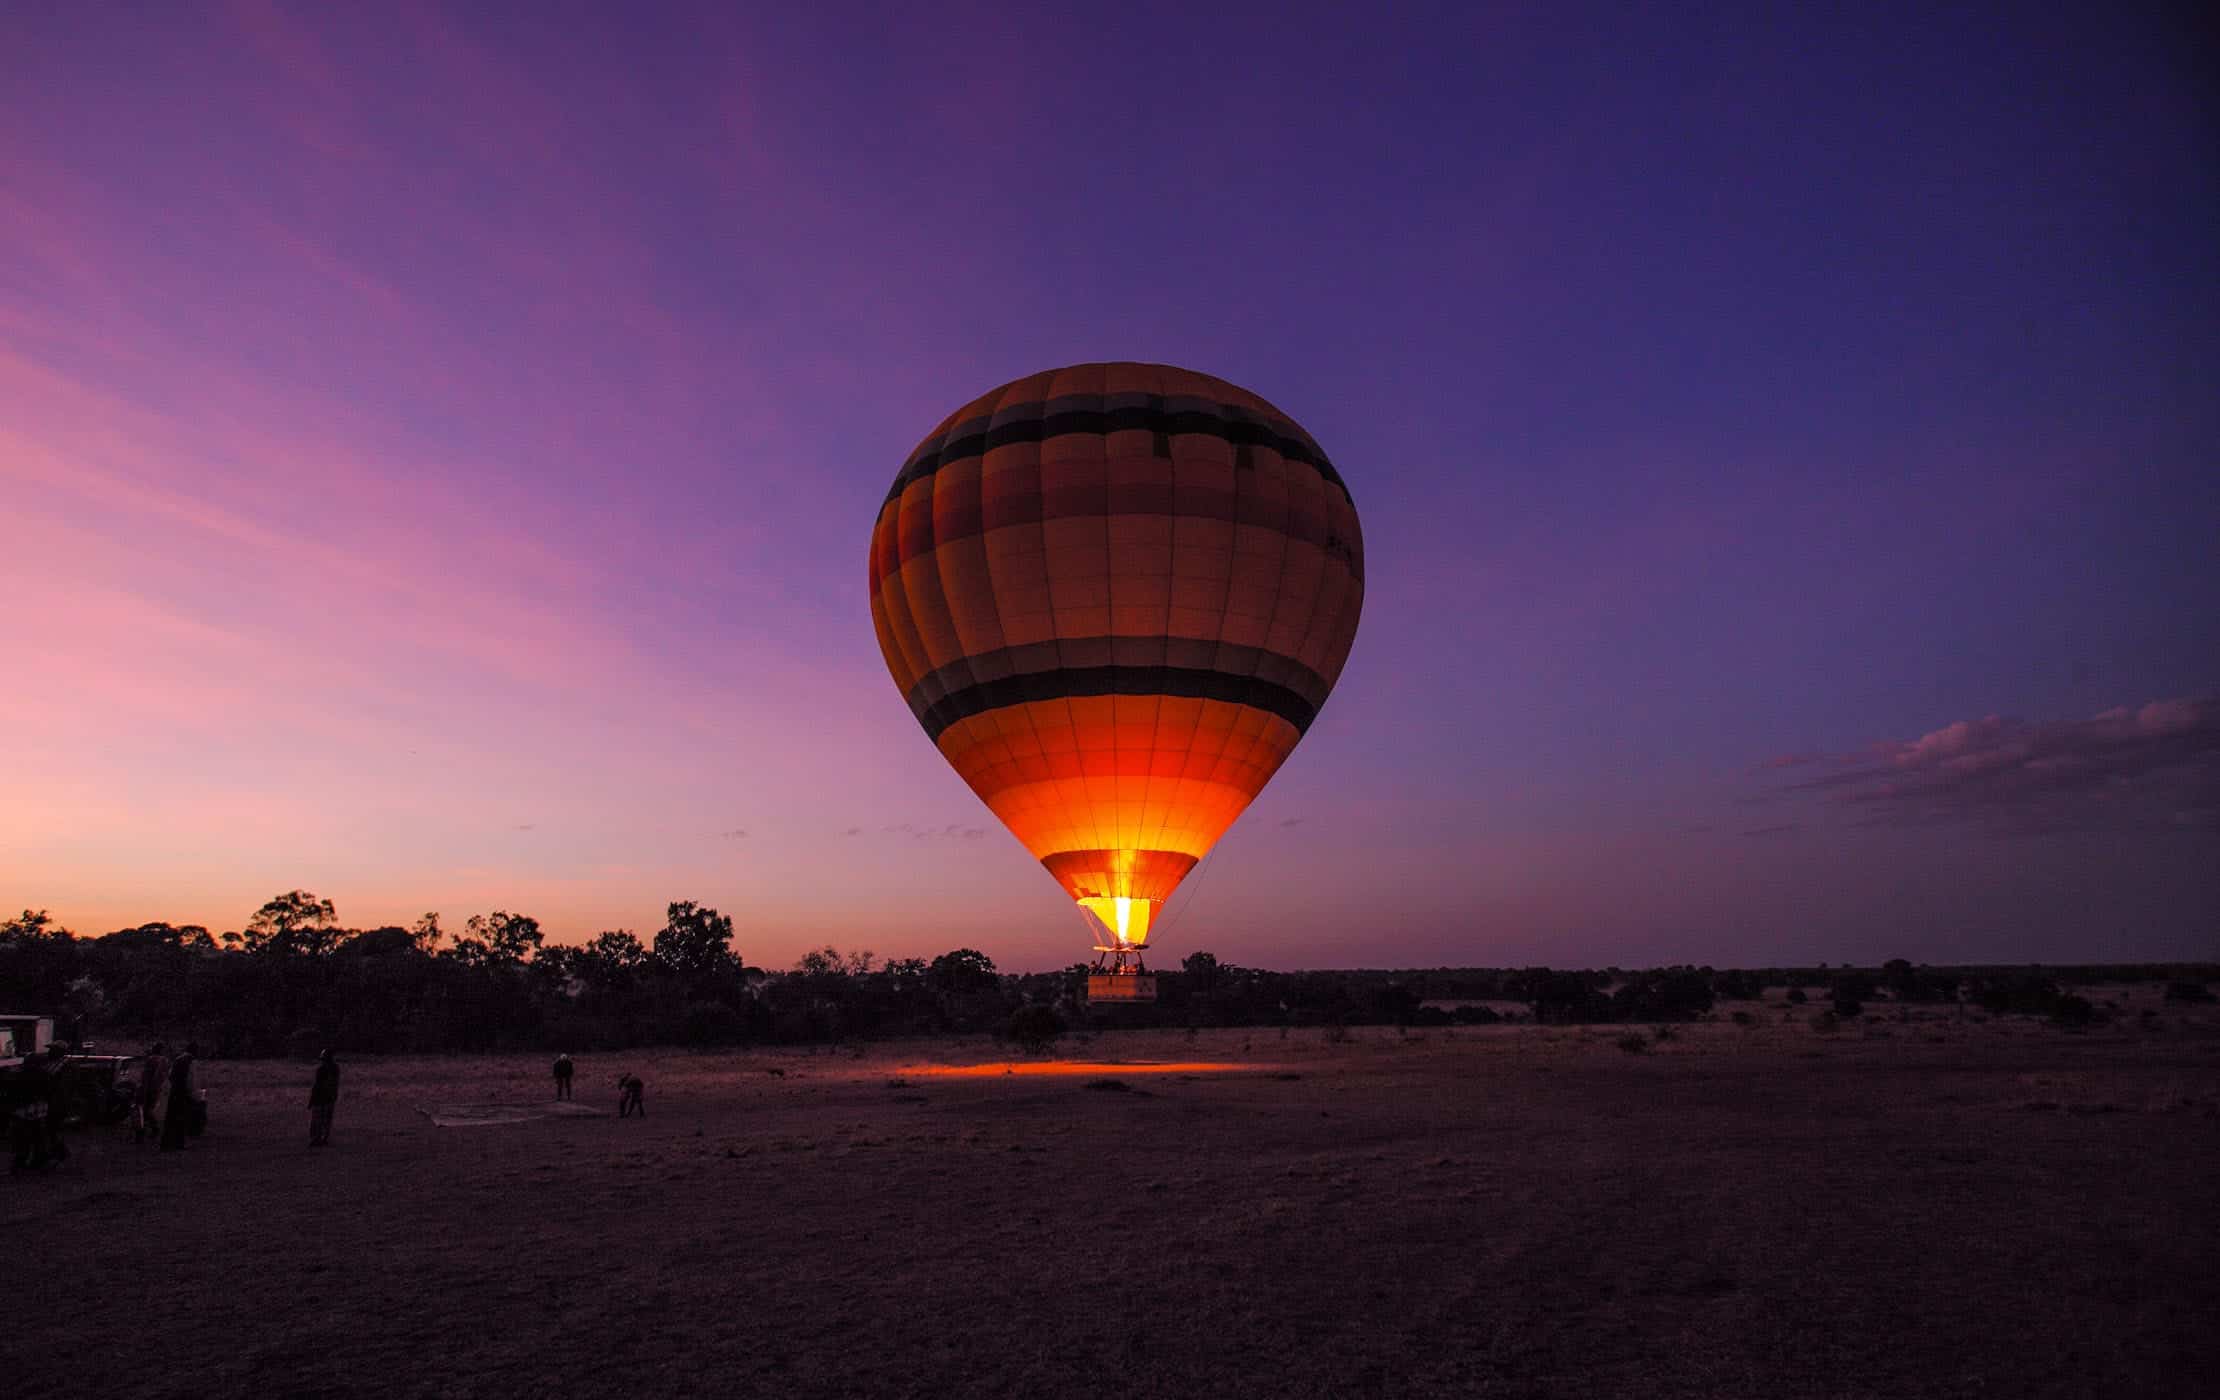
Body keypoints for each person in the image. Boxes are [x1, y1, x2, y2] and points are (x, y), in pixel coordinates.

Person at [160, 1043, 198, 1152]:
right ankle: (179, 1143)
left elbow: (170, 1074)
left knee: (171, 1118)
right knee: (182, 1119)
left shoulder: (178, 1059)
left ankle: (166, 1142)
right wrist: (192, 1094)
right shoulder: (191, 1061)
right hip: (183, 1092)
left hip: (175, 1091)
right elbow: (191, 1080)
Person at [136, 1042, 170, 1144]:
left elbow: (146, 1076)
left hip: (149, 1088)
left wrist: (143, 1088)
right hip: (157, 1087)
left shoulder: (151, 1060)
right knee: (148, 1109)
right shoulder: (165, 1060)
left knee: (145, 1109)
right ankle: (149, 1130)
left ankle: (149, 1130)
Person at [308, 1049, 340, 1147]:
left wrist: (311, 1100)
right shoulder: (335, 1068)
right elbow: (335, 1084)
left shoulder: (321, 1069)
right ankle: (324, 1138)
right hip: (330, 1097)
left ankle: (316, 1138)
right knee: (326, 1120)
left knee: (316, 1119)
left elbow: (317, 1085)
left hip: (320, 1097)